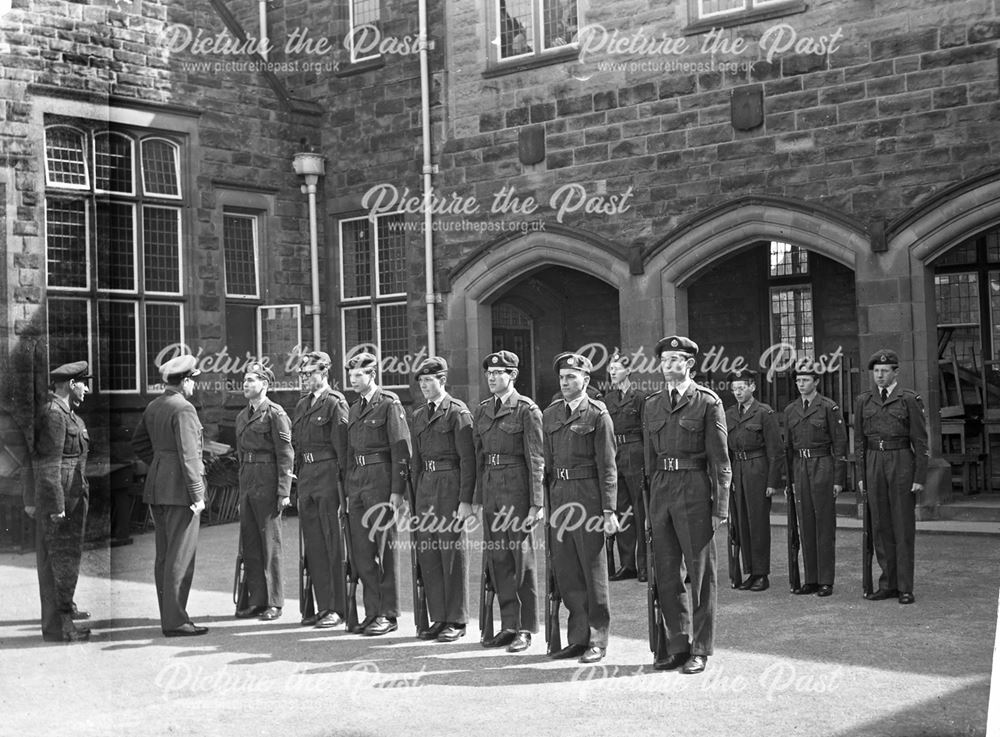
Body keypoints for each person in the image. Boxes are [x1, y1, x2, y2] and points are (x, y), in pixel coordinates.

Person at [643, 336, 731, 675]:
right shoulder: (652, 404)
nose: (669, 366)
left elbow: (721, 461)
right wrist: (650, 505)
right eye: (664, 360)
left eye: (676, 360)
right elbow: (649, 462)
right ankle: (677, 645)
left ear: (690, 364)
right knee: (666, 574)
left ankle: (701, 648)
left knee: (700, 574)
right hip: (662, 492)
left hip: (694, 490)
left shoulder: (707, 403)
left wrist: (719, 508)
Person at [542, 352, 619, 664]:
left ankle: (597, 639)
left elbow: (608, 466)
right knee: (568, 571)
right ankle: (577, 638)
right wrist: (545, 505)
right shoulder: (550, 415)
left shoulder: (598, 415)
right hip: (559, 497)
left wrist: (609, 511)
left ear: (586, 381)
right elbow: (545, 465)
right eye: (562, 377)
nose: (565, 382)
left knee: (593, 571)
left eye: (571, 377)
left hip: (587, 498)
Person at [468, 350, 544, 653]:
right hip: (491, 488)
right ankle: (509, 624)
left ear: (512, 376)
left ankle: (525, 628)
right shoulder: (483, 410)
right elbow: (478, 456)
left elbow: (536, 458)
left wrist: (537, 503)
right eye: (488, 373)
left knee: (521, 560)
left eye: (498, 373)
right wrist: (475, 498)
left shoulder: (527, 410)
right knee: (498, 560)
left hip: (517, 488)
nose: (491, 377)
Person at [132, 355, 209, 637]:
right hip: (180, 492)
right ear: (185, 381)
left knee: (164, 555)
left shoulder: (155, 405)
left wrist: (161, 465)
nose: (194, 387)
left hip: (157, 487)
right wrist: (197, 494)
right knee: (180, 556)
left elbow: (139, 442)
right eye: (193, 381)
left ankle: (169, 615)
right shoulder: (184, 409)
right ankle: (176, 620)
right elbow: (190, 456)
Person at [344, 352, 411, 636]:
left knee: (383, 550)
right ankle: (372, 611)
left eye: (358, 375)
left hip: (381, 481)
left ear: (372, 375)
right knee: (362, 552)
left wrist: (398, 491)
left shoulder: (388, 404)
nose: (353, 380)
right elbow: (350, 452)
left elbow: (401, 450)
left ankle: (388, 614)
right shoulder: (355, 407)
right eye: (351, 376)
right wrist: (349, 490)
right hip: (358, 483)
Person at [855, 349, 929, 605]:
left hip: (901, 462)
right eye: (876, 371)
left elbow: (920, 440)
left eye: (885, 371)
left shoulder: (908, 399)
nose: (880, 375)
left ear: (896, 372)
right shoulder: (864, 401)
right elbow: (859, 442)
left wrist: (919, 475)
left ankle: (905, 587)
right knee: (881, 526)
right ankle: (887, 584)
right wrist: (862, 474)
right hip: (874, 461)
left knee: (902, 526)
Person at [26, 361, 93, 643]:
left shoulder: (68, 414)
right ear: (70, 385)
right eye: (83, 383)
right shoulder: (55, 415)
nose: (87, 389)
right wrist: (57, 505)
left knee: (66, 561)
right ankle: (59, 628)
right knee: (58, 563)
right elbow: (48, 464)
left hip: (71, 494)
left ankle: (63, 619)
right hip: (62, 499)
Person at [409, 357, 475, 642]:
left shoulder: (457, 412)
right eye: (421, 381)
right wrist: (412, 500)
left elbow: (468, 460)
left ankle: (456, 619)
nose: (424, 386)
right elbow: (416, 461)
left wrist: (465, 500)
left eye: (429, 381)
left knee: (452, 555)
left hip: (450, 485)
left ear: (442, 381)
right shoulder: (419, 415)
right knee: (430, 555)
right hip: (425, 486)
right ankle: (439, 617)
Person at [291, 351, 349, 628]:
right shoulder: (302, 405)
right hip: (307, 476)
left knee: (332, 542)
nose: (305, 379)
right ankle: (322, 604)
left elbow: (343, 449)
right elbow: (297, 446)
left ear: (324, 373)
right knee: (313, 543)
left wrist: (343, 490)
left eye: (310, 374)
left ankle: (337, 607)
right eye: (302, 374)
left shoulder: (335, 403)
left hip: (328, 475)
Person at [235, 362, 294, 621]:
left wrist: (284, 491)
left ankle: (275, 601)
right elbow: (239, 456)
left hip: (268, 481)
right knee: (251, 544)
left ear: (265, 385)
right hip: (248, 482)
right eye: (245, 380)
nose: (246, 384)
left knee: (270, 543)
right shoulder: (241, 416)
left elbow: (285, 455)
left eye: (251, 380)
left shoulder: (275, 414)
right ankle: (257, 600)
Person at [783, 364, 847, 598]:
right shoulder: (791, 410)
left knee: (824, 525)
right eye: (798, 380)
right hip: (800, 468)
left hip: (822, 466)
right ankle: (810, 579)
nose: (801, 384)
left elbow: (840, 444)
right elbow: (788, 448)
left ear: (816, 382)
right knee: (805, 524)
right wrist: (789, 481)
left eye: (806, 380)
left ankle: (825, 580)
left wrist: (838, 479)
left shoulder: (828, 407)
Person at [725, 368, 784, 592]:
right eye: (734, 389)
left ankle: (762, 574)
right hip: (737, 470)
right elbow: (726, 449)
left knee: (757, 523)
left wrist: (771, 483)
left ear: (752, 387)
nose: (738, 392)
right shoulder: (729, 413)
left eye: (741, 388)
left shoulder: (764, 413)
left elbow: (775, 450)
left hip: (757, 469)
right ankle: (749, 571)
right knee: (741, 524)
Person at [602, 351, 647, 582]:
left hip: (635, 453)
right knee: (622, 510)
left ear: (628, 371)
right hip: (614, 454)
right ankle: (627, 564)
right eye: (610, 369)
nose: (612, 372)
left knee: (640, 510)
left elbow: (646, 432)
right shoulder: (607, 400)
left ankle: (644, 565)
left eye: (617, 368)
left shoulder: (640, 398)